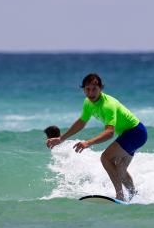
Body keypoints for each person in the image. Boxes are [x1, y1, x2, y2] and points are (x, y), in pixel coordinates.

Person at [46, 73, 147, 202]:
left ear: (101, 89)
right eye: (87, 89)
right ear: (83, 89)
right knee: (120, 169)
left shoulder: (108, 105)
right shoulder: (88, 103)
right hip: (131, 134)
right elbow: (82, 122)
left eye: (94, 89)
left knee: (105, 158)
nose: (91, 92)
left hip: (135, 132)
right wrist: (61, 138)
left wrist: (88, 143)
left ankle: (120, 196)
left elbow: (110, 132)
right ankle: (134, 196)